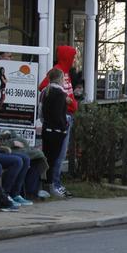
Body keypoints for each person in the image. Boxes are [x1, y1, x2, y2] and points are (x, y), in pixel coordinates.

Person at [38, 45, 78, 198]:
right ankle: (53, 184)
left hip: (65, 116)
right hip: (60, 119)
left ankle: (56, 183)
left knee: (60, 155)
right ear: (67, 57)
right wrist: (65, 101)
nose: (74, 61)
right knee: (57, 155)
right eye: (72, 57)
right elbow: (44, 86)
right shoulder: (58, 70)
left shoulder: (65, 72)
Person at [40, 68, 71, 198]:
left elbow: (41, 112)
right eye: (63, 78)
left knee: (47, 158)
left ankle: (45, 184)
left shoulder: (44, 92)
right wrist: (64, 127)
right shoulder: (60, 94)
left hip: (46, 128)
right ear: (59, 79)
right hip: (57, 130)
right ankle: (51, 185)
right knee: (54, 159)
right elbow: (58, 114)